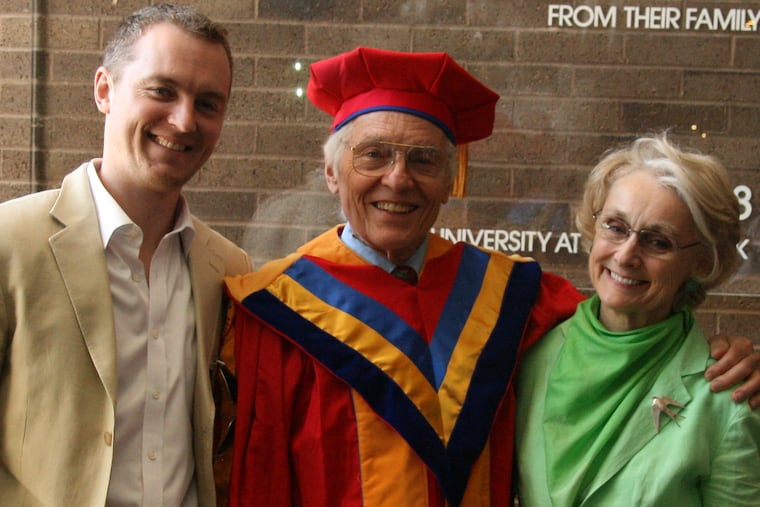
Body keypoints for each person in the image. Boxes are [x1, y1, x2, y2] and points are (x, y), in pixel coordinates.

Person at [223, 47, 760, 506]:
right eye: (374, 155)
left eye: (425, 161)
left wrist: (733, 355)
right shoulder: (277, 313)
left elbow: (630, 326)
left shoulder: (512, 298)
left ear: (449, 182)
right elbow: (263, 477)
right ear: (332, 173)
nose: (399, 178)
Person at [0, 4, 251, 506]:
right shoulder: (10, 242)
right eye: (162, 91)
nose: (183, 121)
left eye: (208, 103)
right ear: (104, 90)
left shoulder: (228, 269)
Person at [515, 133, 760, 506]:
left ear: (701, 261)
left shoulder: (727, 397)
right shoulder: (528, 356)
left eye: (658, 241)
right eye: (615, 226)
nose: (626, 255)